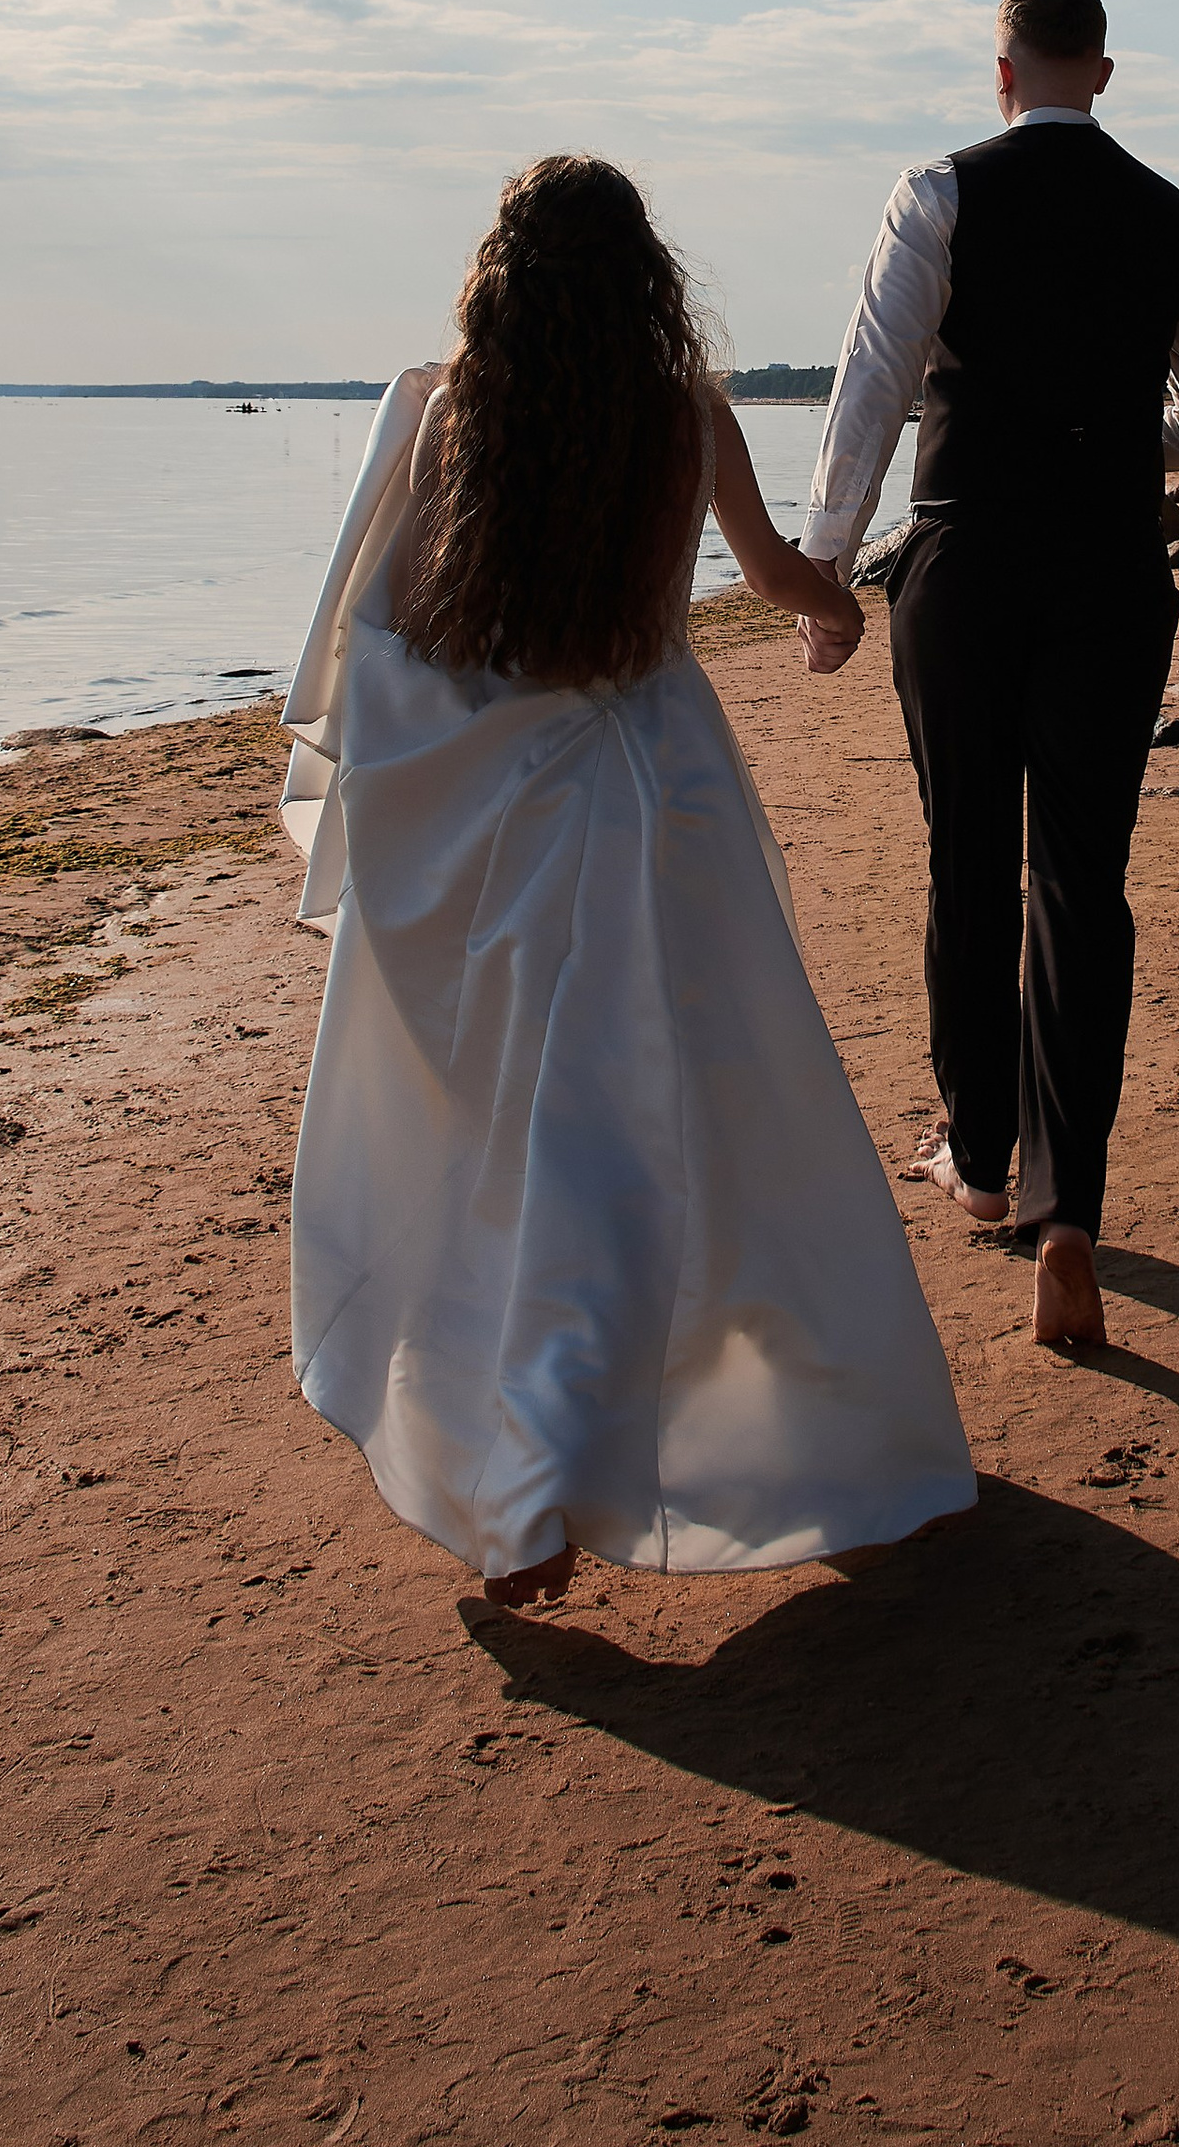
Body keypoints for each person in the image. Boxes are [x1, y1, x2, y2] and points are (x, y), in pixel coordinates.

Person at [278, 155, 976, 1615]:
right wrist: (838, 614)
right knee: (703, 1123)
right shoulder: (687, 415)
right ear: (643, 278)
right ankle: (783, 1429)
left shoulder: (452, 418)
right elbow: (776, 571)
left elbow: (383, 637)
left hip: (495, 829)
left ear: (503, 279)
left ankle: (533, 1489)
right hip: (663, 809)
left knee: (521, 1145)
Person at [798, 0, 1179, 1352]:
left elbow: (872, 384)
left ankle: (980, 1161)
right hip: (1112, 567)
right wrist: (1105, 443)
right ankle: (1072, 1215)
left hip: (970, 559)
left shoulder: (936, 192)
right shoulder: (1168, 213)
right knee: (1082, 879)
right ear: (1101, 73)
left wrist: (824, 569)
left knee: (964, 861)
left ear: (1002, 71)